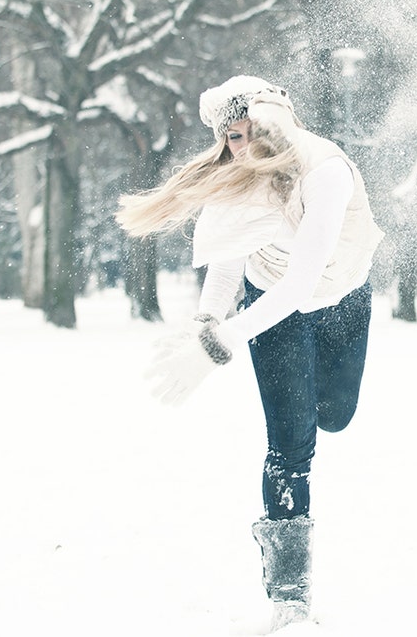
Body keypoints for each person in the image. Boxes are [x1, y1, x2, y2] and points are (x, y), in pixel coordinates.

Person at [116, 75, 384, 631]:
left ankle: (313, 410)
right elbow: (228, 259)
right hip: (269, 303)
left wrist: (221, 343)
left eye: (248, 133)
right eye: (230, 138)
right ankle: (290, 600)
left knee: (333, 416)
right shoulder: (239, 174)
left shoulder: (325, 170)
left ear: (276, 122)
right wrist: (207, 323)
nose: (241, 148)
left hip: (338, 296)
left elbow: (303, 281)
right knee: (290, 446)